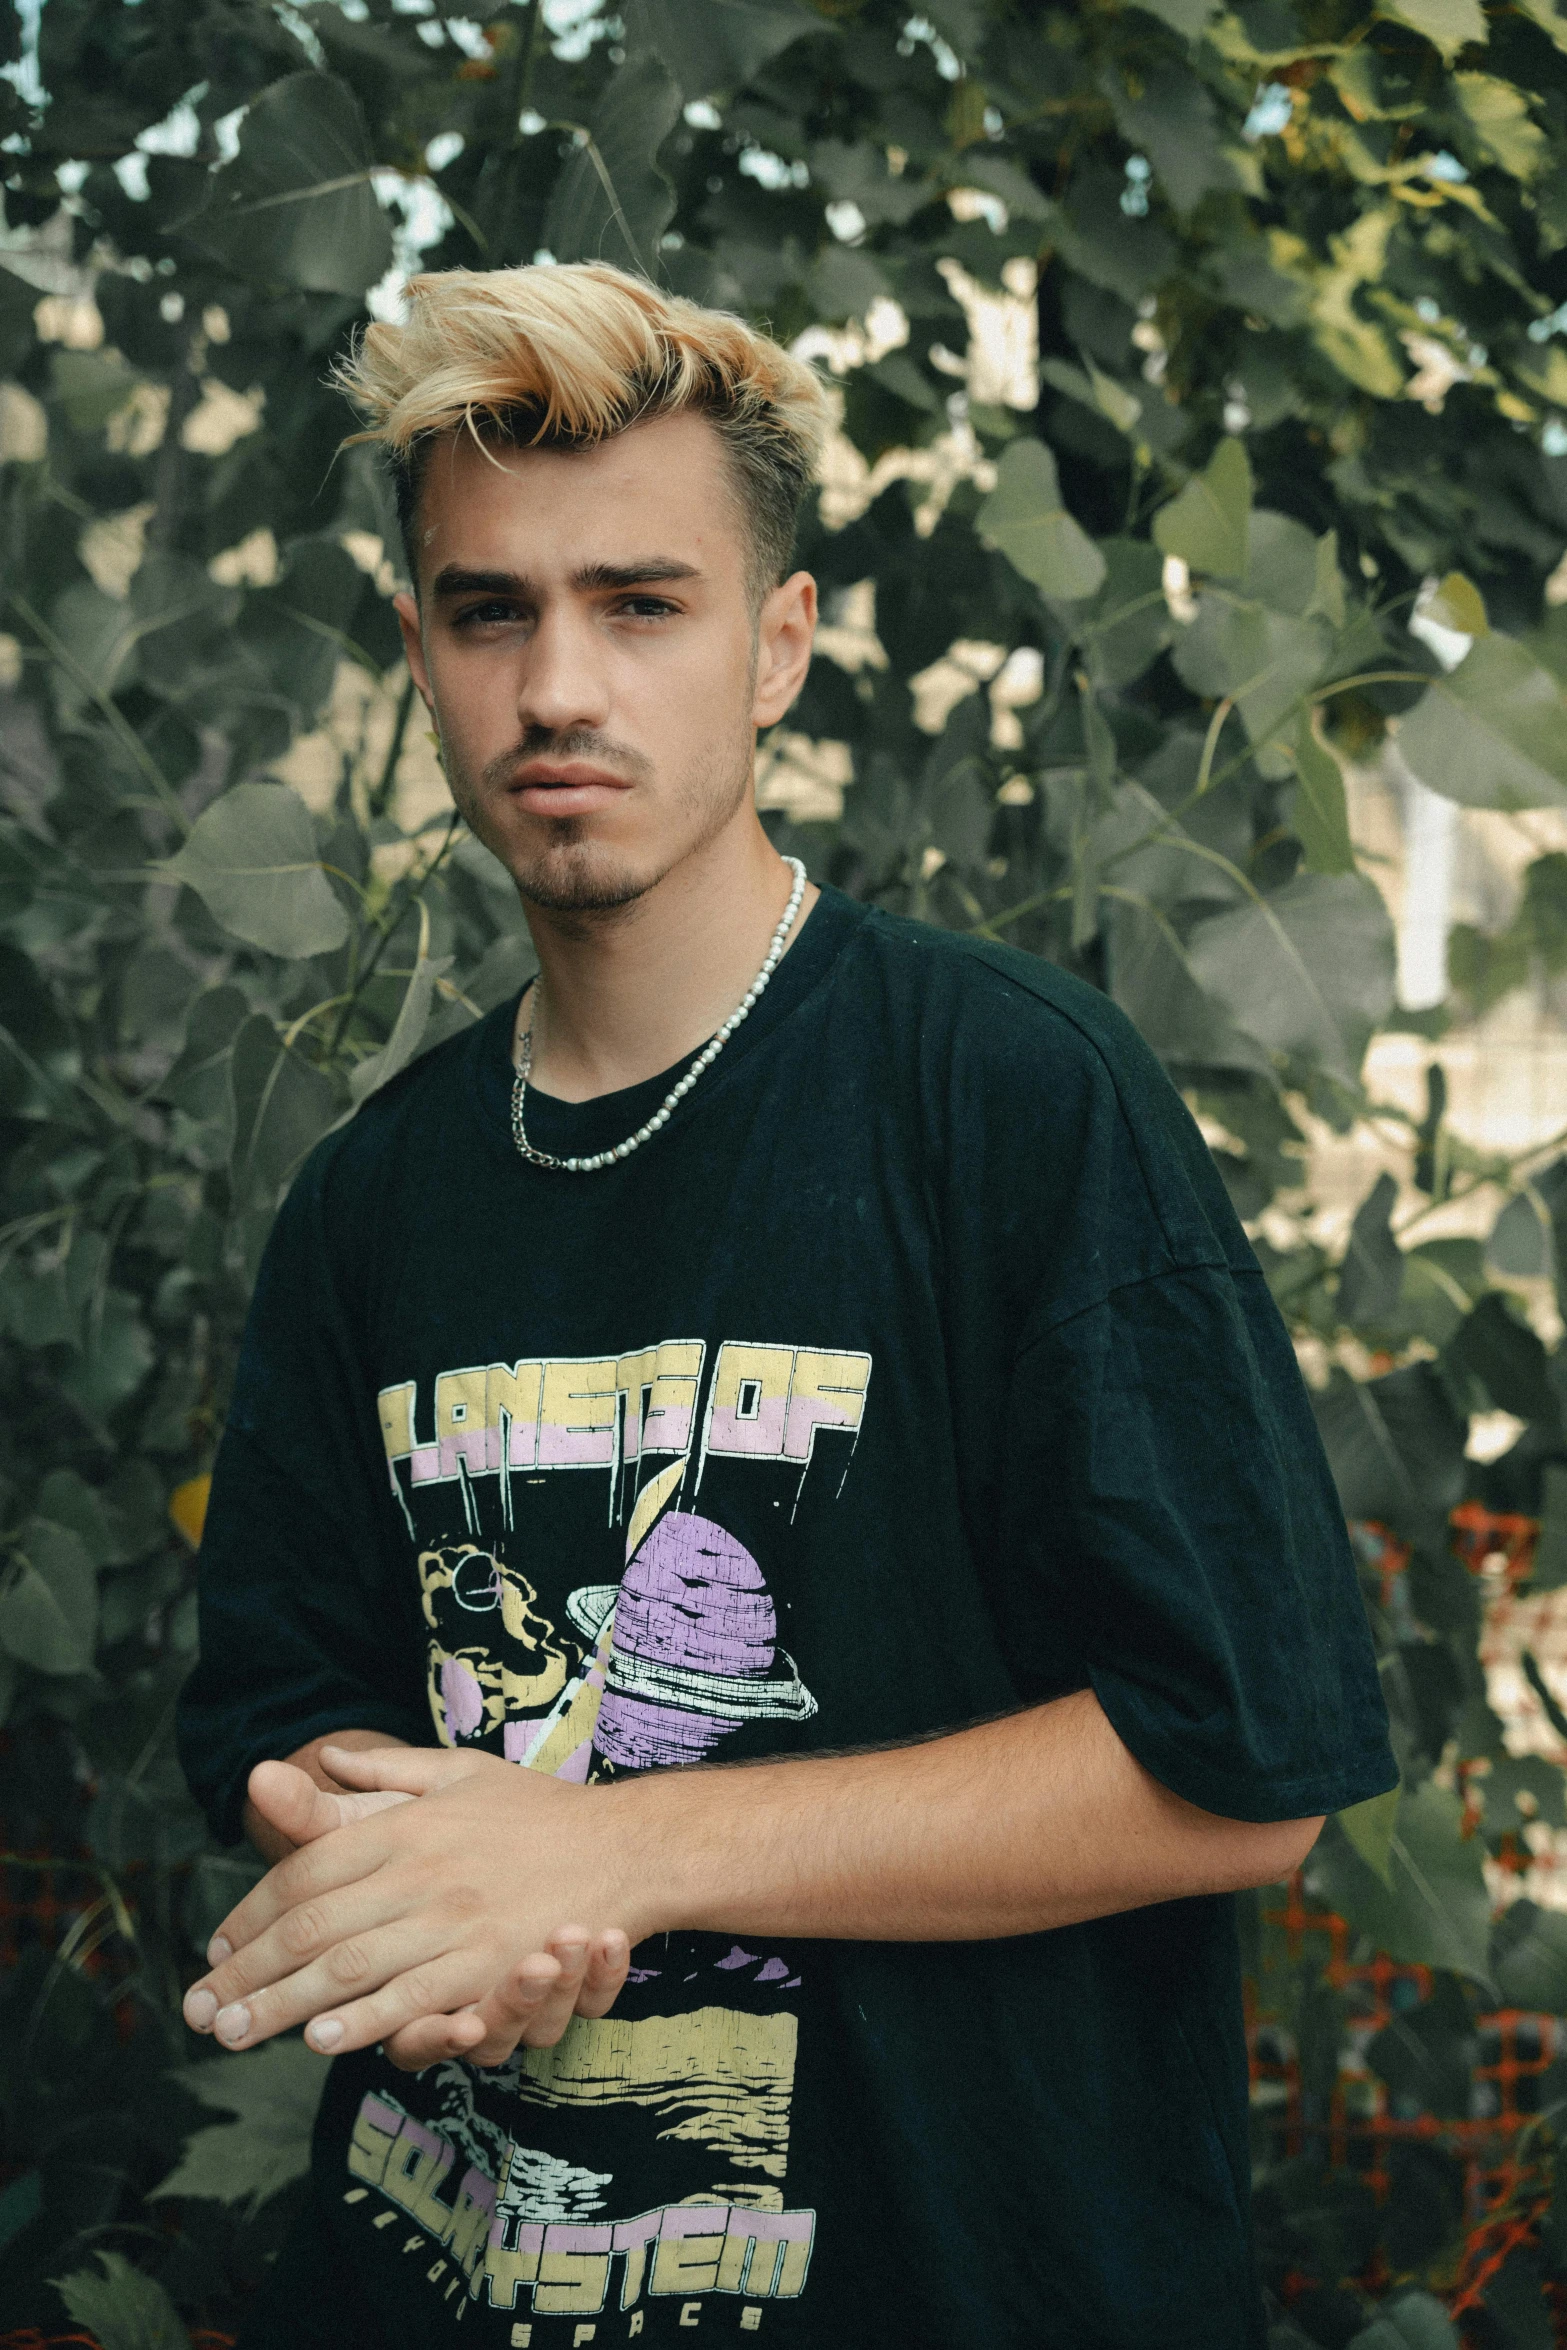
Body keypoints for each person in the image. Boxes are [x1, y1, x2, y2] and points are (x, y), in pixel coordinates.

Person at [176, 261, 1396, 2350]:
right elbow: (284, 1717)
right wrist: (419, 1861)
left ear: (781, 645)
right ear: (423, 646)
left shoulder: (1007, 1093)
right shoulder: (369, 1197)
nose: (561, 684)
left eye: (641, 603)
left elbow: (1247, 1766)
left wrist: (610, 1852)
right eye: (493, 610)